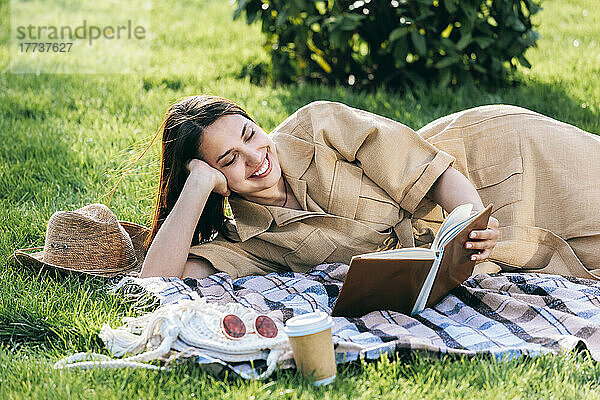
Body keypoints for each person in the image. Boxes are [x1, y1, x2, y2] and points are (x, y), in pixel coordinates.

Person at [138, 95, 600, 282]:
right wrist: (196, 184)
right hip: (496, 248)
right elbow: (159, 281)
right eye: (228, 161)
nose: (256, 157)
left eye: (249, 135)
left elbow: (435, 172)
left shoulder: (319, 125)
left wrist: (468, 223)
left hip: (497, 160)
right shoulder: (251, 245)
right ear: (215, 181)